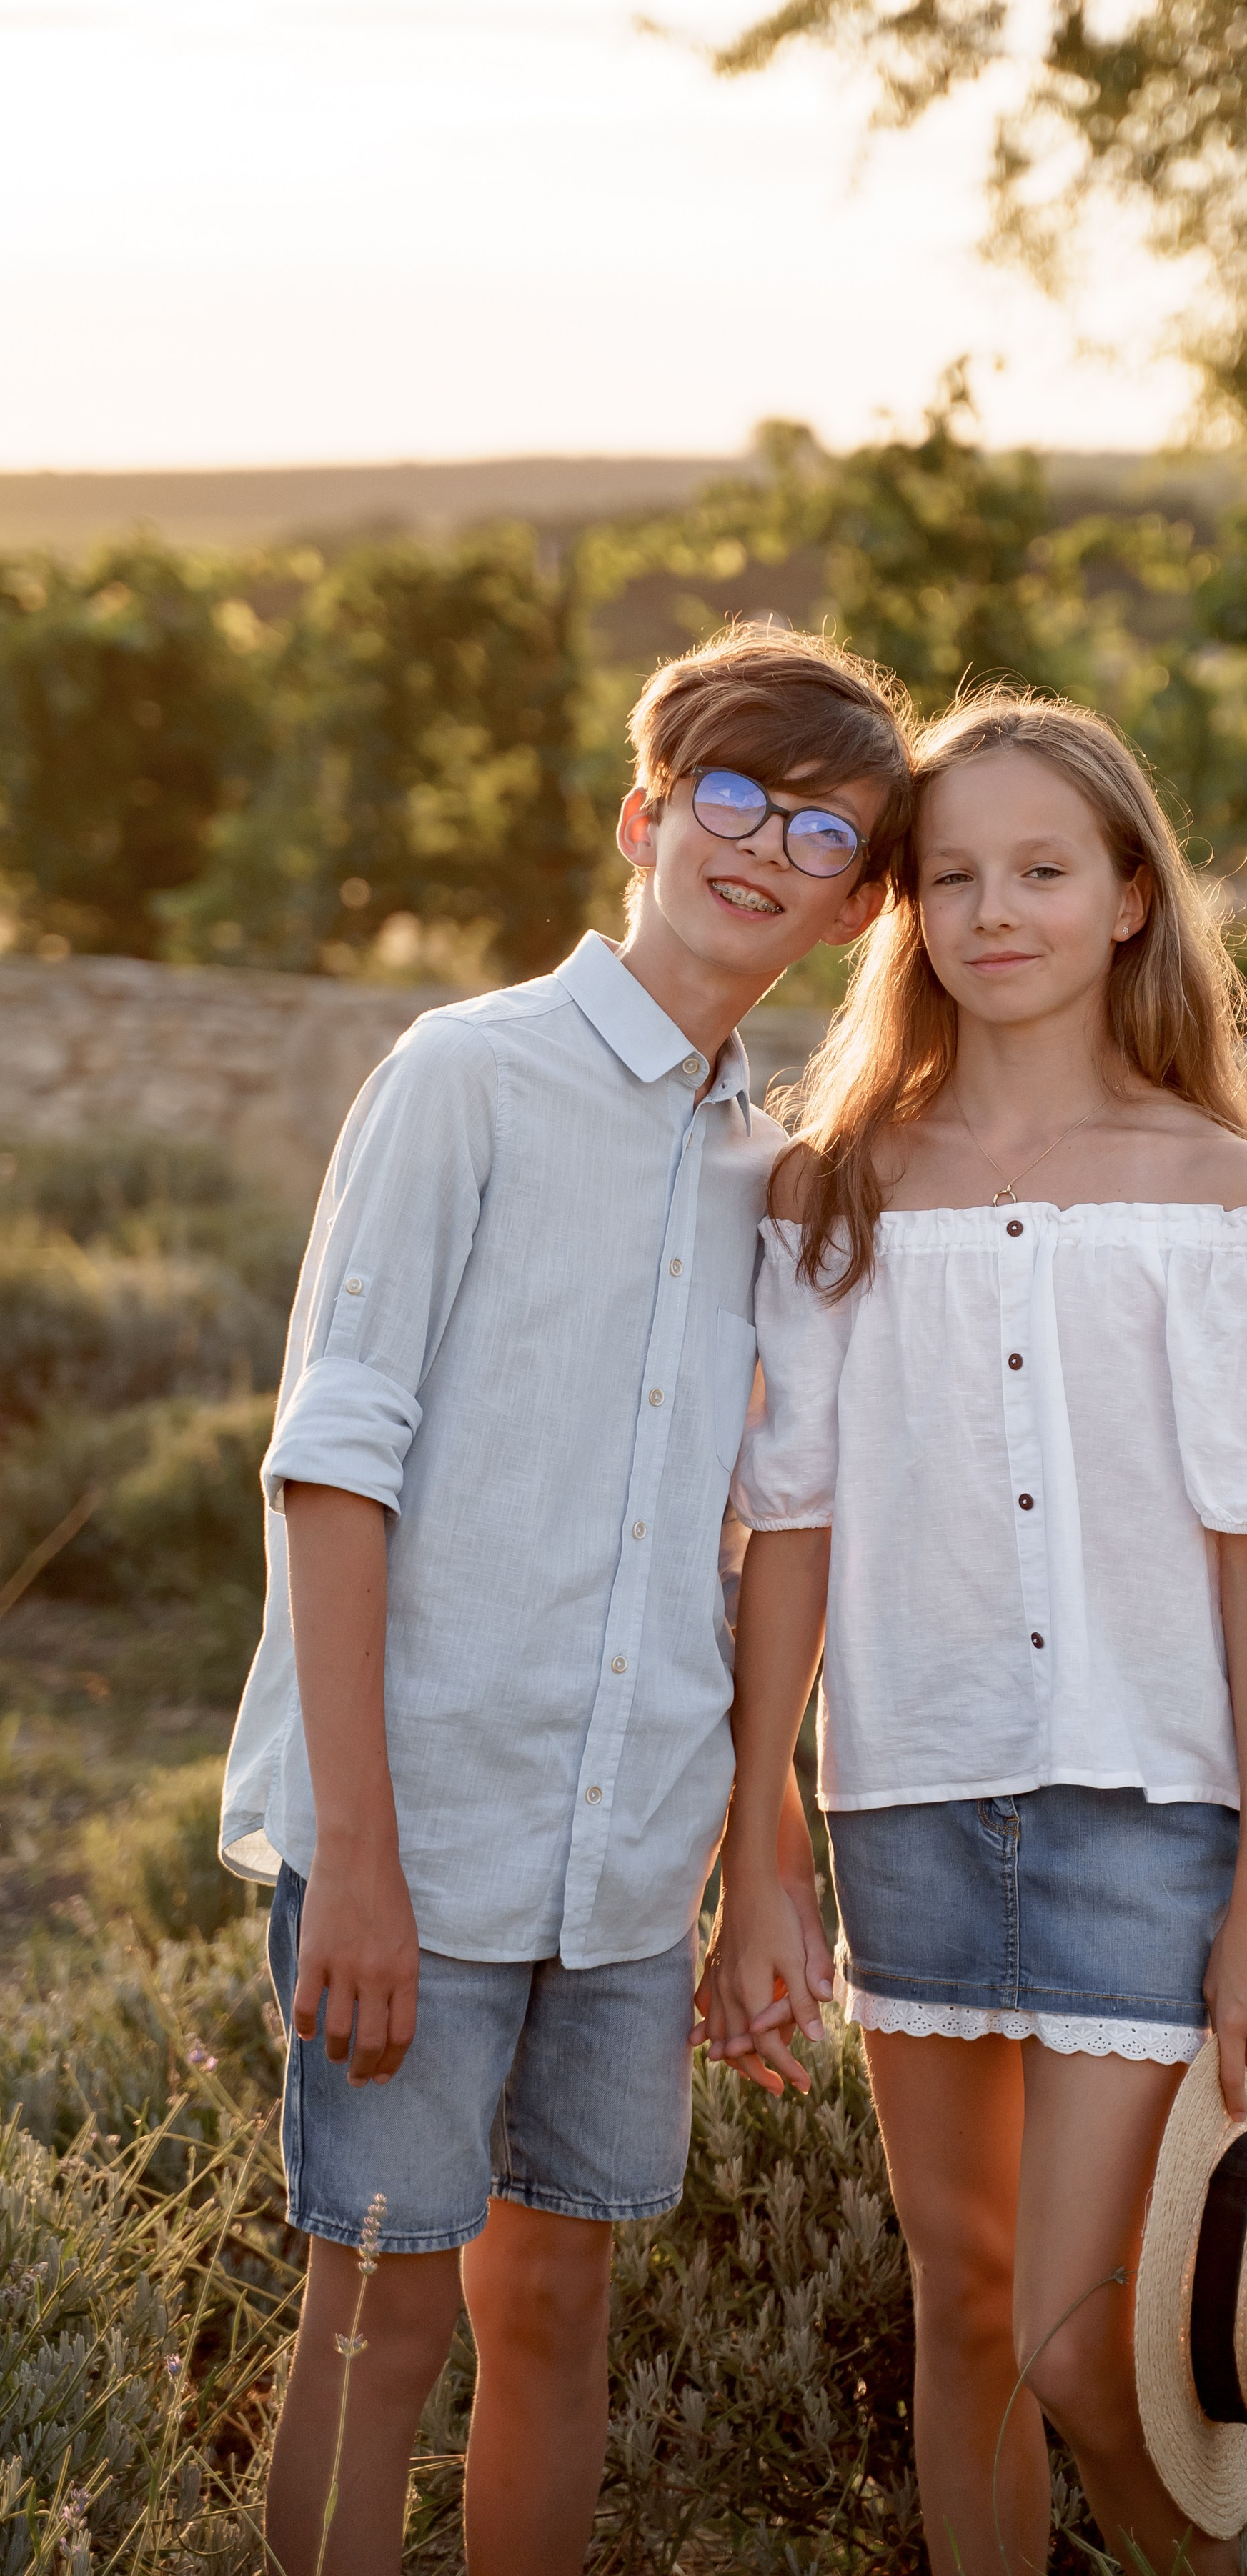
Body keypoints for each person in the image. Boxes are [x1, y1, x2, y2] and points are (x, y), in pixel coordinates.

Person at [217, 625, 913, 2576]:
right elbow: (331, 1472)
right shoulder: (469, 1081)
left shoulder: (761, 1174)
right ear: (644, 813)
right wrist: (356, 1855)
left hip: (626, 1870)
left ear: (858, 906)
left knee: (554, 2310)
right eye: (730, 797)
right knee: (379, 2318)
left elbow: (724, 1534)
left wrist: (756, 1855)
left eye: (825, 831)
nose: (765, 847)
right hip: (417, 1843)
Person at [698, 692, 1247, 2576]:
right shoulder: (842, 1192)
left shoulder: (1221, 1200)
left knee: (1088, 2345)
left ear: (1132, 898)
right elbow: (791, 1534)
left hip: (1145, 1824)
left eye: (1044, 871)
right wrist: (765, 1842)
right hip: (908, 1804)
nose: (996, 913)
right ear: (908, 913)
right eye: (955, 877)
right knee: (969, 2313)